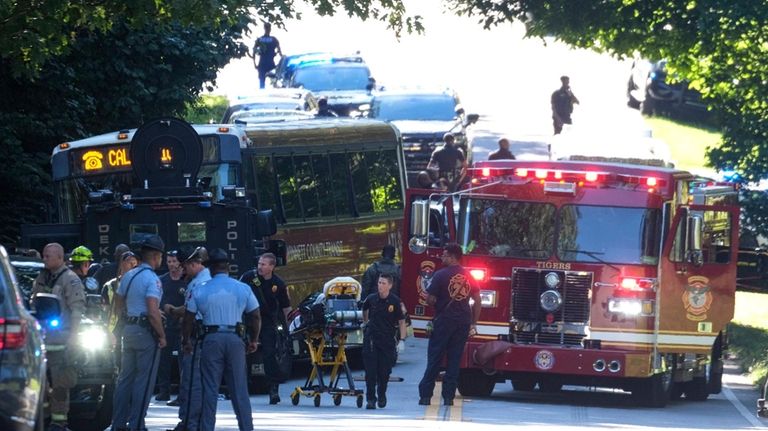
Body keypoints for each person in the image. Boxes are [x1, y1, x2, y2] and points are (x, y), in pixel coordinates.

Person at [183, 248, 261, 431]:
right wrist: (254, 340)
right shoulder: (243, 288)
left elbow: (188, 318)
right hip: (235, 339)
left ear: (210, 268)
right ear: (228, 267)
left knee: (210, 389)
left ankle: (207, 428)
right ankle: (246, 427)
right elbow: (255, 316)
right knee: (239, 389)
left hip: (211, 339)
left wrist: (186, 341)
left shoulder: (200, 289)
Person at [111, 235, 167, 431]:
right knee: (144, 379)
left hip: (128, 329)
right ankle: (136, 424)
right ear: (156, 256)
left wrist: (127, 315)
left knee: (125, 379)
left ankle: (118, 423)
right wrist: (161, 335)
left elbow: (117, 303)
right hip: (145, 332)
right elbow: (152, 310)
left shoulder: (129, 275)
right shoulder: (152, 279)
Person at [418, 243, 481, 406]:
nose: (442, 257)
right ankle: (448, 397)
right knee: (454, 360)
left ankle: (426, 396)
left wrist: (434, 301)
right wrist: (474, 322)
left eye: (444, 255)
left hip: (444, 322)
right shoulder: (469, 275)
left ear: (452, 257)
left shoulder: (440, 275)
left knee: (435, 358)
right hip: (463, 323)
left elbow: (430, 299)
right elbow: (478, 299)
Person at [32, 243, 86, 431]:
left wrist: (73, 338)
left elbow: (77, 310)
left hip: (61, 342)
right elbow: (33, 304)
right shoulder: (42, 277)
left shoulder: (70, 280)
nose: (44, 259)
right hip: (39, 341)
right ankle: (44, 419)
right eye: (44, 256)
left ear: (59, 257)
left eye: (48, 256)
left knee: (61, 384)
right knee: (40, 385)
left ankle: (59, 422)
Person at [164, 246, 210, 429]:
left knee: (192, 383)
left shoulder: (198, 283)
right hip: (204, 335)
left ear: (192, 264)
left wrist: (173, 311)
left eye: (183, 267)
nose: (182, 271)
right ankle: (193, 421)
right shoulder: (204, 280)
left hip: (197, 336)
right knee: (195, 382)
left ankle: (190, 423)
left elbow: (190, 313)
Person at [239, 253, 291, 404]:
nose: (260, 267)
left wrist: (289, 329)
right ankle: (242, 387)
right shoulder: (249, 277)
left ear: (272, 266)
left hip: (268, 321)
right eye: (259, 263)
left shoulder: (278, 283)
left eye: (263, 264)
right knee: (242, 352)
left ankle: (273, 389)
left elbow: (286, 308)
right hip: (248, 319)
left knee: (269, 353)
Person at [361, 273, 407, 409]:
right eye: (379, 283)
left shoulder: (395, 302)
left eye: (383, 283)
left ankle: (381, 394)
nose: (380, 286)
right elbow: (364, 311)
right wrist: (366, 323)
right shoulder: (371, 299)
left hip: (387, 340)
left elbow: (401, 321)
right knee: (370, 372)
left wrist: (402, 340)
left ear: (390, 286)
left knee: (384, 372)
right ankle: (370, 399)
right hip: (371, 339)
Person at [156, 249, 187, 402]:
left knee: (183, 360)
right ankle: (164, 390)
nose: (172, 265)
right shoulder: (161, 280)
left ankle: (183, 392)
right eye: (169, 261)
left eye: (174, 261)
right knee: (164, 359)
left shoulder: (187, 281)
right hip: (165, 325)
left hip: (182, 326)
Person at [252, 22, 282, 89]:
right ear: (270, 29)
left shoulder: (260, 39)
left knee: (263, 82)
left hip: (263, 63)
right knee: (274, 80)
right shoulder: (273, 39)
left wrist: (254, 64)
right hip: (269, 63)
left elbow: (254, 52)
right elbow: (280, 52)